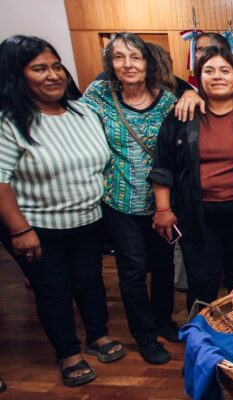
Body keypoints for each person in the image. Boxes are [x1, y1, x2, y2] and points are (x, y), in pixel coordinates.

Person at [0, 35, 123, 386]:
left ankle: (97, 335)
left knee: (90, 283)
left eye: (56, 66)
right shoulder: (9, 122)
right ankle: (68, 353)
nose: (53, 75)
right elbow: (0, 180)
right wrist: (20, 230)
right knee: (54, 291)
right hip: (39, 228)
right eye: (39, 69)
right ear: (17, 75)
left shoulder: (83, 111)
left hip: (89, 219)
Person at [149, 46, 233, 312]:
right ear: (199, 78)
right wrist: (163, 210)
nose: (217, 76)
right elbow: (163, 166)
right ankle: (200, 332)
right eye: (209, 71)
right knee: (202, 283)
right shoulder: (182, 117)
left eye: (225, 70)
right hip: (196, 216)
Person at [81, 32, 178, 365]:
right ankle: (146, 336)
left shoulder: (167, 101)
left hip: (161, 202)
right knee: (133, 271)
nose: (128, 64)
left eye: (135, 57)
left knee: (163, 266)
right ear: (110, 63)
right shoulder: (98, 95)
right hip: (119, 201)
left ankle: (163, 319)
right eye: (119, 57)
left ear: (148, 63)